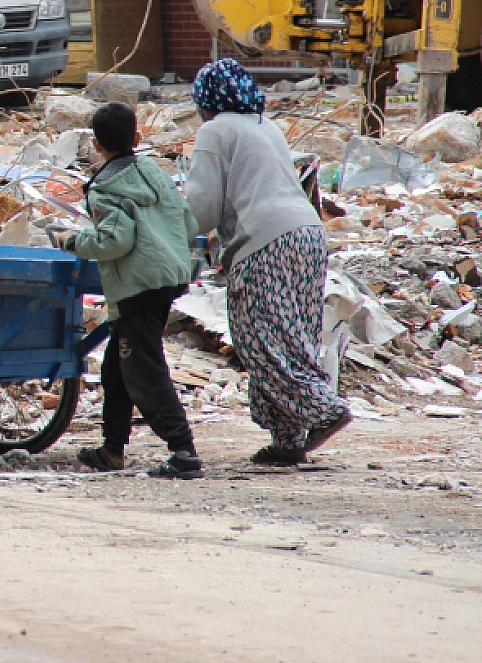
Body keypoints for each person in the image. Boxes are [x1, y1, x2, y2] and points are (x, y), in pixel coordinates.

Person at [186, 58, 349, 465]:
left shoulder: (214, 130)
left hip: (264, 243)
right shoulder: (266, 126)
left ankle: (325, 409)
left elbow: (202, 209)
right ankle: (288, 441)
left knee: (261, 340)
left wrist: (171, 228)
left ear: (206, 100)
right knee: (295, 336)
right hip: (307, 235)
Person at [57, 102, 203, 479]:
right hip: (169, 277)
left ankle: (183, 450)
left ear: (95, 144)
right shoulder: (154, 173)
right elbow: (188, 222)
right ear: (137, 138)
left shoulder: (105, 188)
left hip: (139, 287)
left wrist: (71, 241)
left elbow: (113, 241)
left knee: (143, 369)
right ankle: (112, 449)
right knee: (115, 368)